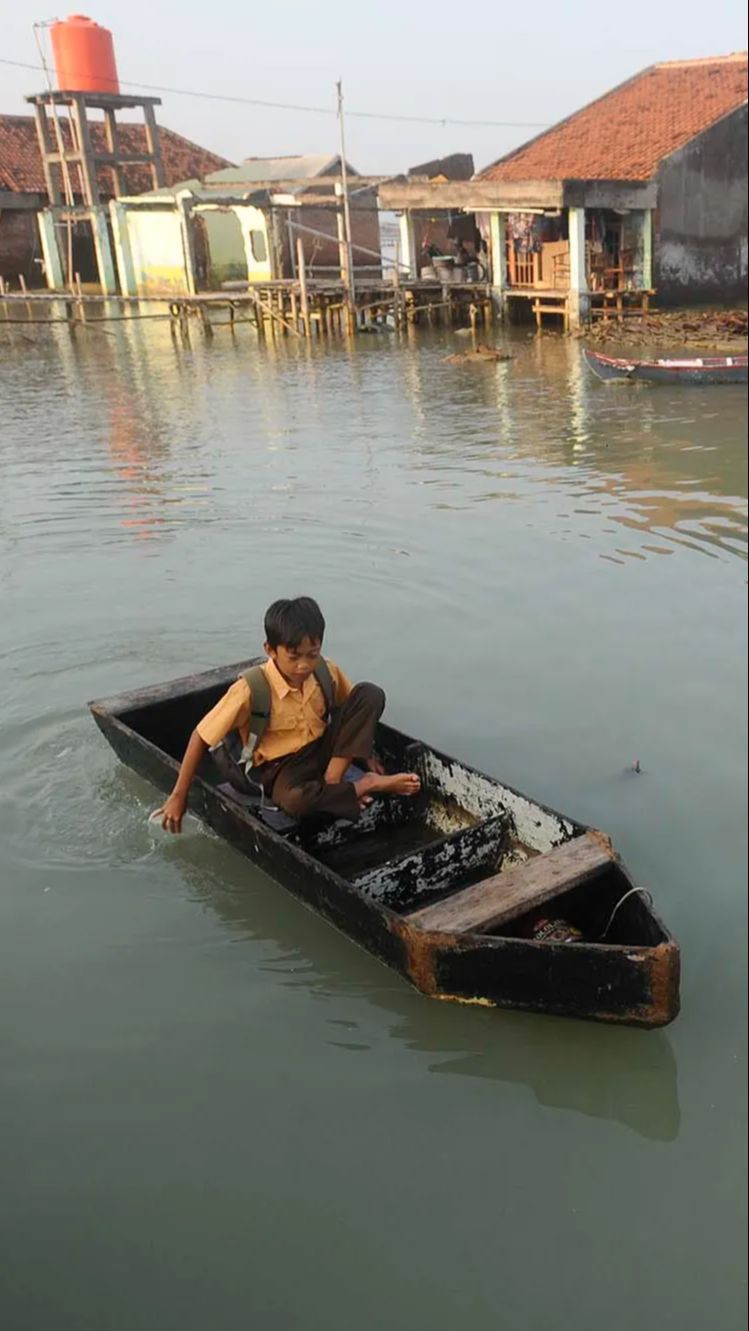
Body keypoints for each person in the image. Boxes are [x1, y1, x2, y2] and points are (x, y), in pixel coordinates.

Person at [156, 596, 421, 832]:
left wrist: (368, 754)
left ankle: (333, 783)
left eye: (312, 654)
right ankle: (366, 785)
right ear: (270, 650)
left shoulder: (325, 671)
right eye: (294, 657)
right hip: (281, 768)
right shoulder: (250, 689)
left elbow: (352, 710)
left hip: (324, 752)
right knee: (295, 802)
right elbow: (200, 737)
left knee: (369, 693)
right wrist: (178, 796)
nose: (304, 665)